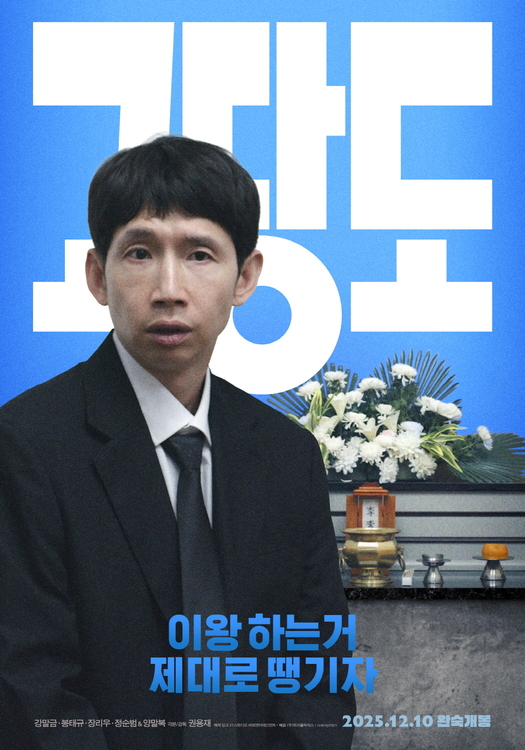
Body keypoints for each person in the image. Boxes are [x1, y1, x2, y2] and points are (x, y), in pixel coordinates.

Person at [0, 135, 354, 749]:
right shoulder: (26, 445)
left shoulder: (286, 454)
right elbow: (33, 690)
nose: (169, 288)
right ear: (97, 275)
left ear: (245, 277)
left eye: (199, 254)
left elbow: (316, 675)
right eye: (140, 253)